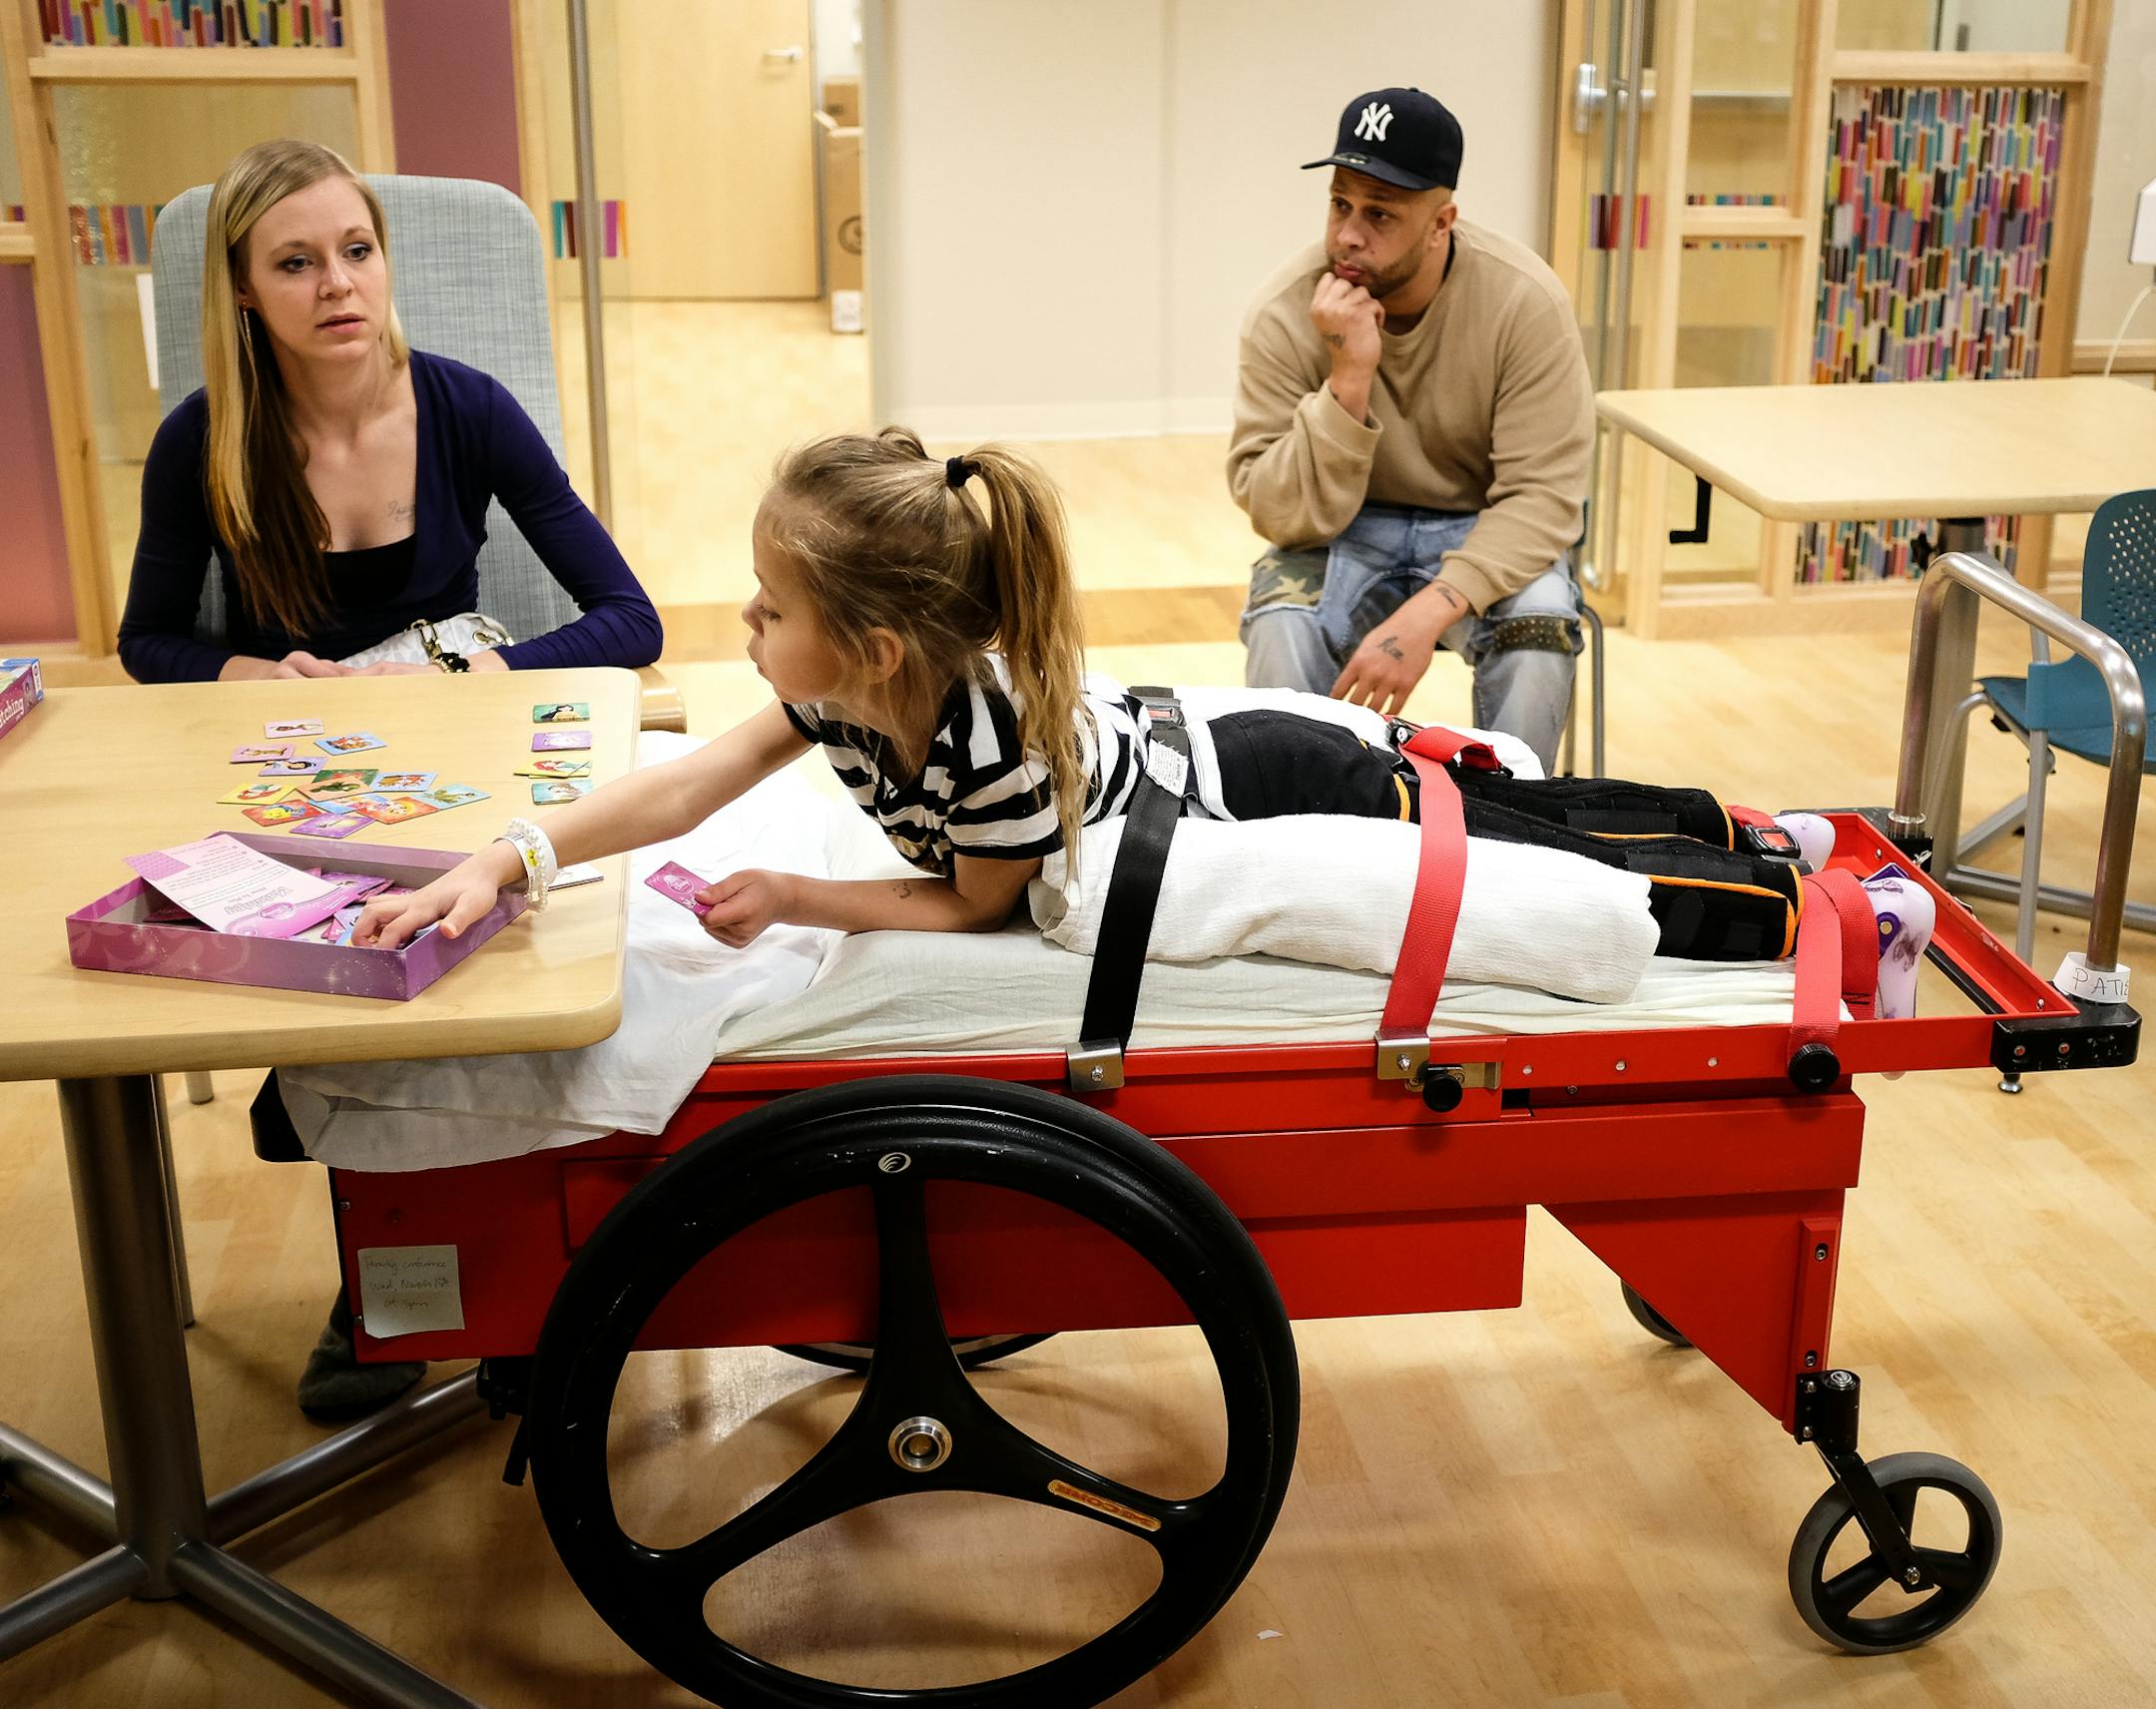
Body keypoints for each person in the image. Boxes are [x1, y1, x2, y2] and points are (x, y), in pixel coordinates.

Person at [356, 431, 1917, 996]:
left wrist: (799, 897)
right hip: (1207, 752)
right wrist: (512, 858)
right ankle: (1772, 834)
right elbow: (680, 791)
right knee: (1527, 814)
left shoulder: (977, 745)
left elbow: (977, 909)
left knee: (1528, 841)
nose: (746, 630)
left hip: (1269, 782)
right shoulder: (844, 699)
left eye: (770, 610)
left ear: (878, 646)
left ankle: (1812, 895)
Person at [118, 138, 662, 683]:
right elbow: (146, 640)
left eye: (357, 251)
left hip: (449, 708)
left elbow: (633, 620)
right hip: (293, 736)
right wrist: (259, 677)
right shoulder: (198, 440)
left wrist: (460, 671)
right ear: (243, 287)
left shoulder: (474, 410)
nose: (337, 284)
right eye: (296, 263)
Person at [1232, 87, 1594, 773]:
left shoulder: (1524, 302)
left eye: (1380, 214)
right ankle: (1298, 834)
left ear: (1441, 222)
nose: (1348, 234)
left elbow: (1545, 497)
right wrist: (1347, 382)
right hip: (1345, 530)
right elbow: (1276, 513)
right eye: (1340, 203)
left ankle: (1513, 829)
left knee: (1540, 628)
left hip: (1482, 528)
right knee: (1281, 621)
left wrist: (1429, 613)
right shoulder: (1285, 312)